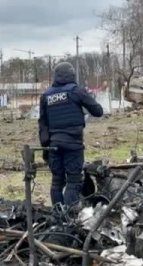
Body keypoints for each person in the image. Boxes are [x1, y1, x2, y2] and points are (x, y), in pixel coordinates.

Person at [38, 62, 103, 206]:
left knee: (57, 182)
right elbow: (98, 111)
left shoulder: (46, 96)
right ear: (72, 75)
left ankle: (57, 214)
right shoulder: (76, 91)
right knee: (73, 181)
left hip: (53, 145)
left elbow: (42, 124)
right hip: (73, 144)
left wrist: (45, 148)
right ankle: (69, 219)